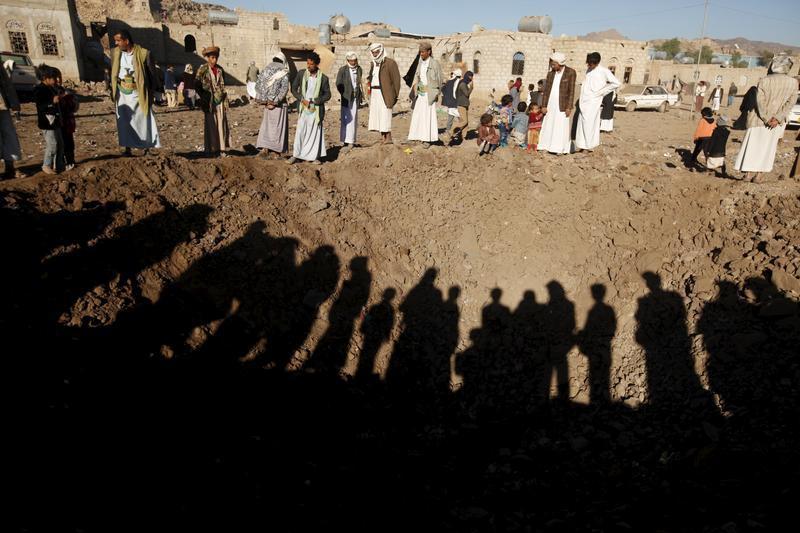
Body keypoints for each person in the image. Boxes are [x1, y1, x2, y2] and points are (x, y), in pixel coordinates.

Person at [734, 55, 797, 181]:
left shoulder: (764, 80)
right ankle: (759, 176)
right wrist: (777, 118)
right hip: (775, 124)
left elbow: (760, 102)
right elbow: (790, 103)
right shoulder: (793, 83)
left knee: (752, 146)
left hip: (758, 120)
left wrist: (767, 118)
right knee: (767, 149)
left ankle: (748, 175)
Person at [110, 29, 161, 155]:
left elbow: (152, 75)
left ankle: (147, 148)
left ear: (126, 41)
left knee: (143, 120)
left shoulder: (144, 54)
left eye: (118, 40)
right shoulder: (115, 53)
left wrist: (152, 93)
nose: (116, 43)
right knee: (124, 122)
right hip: (122, 94)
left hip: (139, 93)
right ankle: (127, 148)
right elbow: (113, 72)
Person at [288, 52, 331, 165]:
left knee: (314, 132)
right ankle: (296, 155)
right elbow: (293, 89)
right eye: (307, 63)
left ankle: (313, 156)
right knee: (301, 131)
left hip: (315, 109)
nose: (308, 66)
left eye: (311, 64)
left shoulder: (323, 78)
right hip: (304, 107)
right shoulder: (301, 74)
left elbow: (328, 95)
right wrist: (302, 99)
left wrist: (316, 101)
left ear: (316, 64)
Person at [574, 52, 620, 152]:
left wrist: (601, 92)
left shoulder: (604, 71)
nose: (589, 65)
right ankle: (582, 145)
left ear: (597, 62)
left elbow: (616, 83)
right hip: (584, 101)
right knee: (582, 123)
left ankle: (589, 146)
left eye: (591, 63)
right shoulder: (589, 70)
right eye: (588, 63)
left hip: (593, 101)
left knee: (590, 123)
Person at [196, 46, 231, 157]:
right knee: (211, 124)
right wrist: (203, 96)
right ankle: (211, 149)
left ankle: (222, 149)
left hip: (220, 101)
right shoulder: (203, 69)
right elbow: (196, 84)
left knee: (221, 123)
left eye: (216, 58)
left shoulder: (220, 69)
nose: (214, 60)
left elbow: (223, 84)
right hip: (209, 101)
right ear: (208, 58)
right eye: (212, 57)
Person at [538, 52, 576, 155]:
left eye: (554, 64)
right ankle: (545, 146)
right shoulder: (550, 74)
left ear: (560, 63)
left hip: (562, 105)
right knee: (548, 125)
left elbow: (571, 91)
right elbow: (546, 91)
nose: (552, 65)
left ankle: (559, 148)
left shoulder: (570, 72)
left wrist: (569, 107)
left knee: (560, 126)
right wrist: (544, 105)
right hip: (550, 104)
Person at [255, 52, 291, 158]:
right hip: (279, 105)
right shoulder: (284, 71)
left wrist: (265, 100)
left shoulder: (266, 69)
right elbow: (284, 89)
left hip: (267, 105)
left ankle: (265, 148)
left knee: (267, 126)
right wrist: (275, 101)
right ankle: (276, 151)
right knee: (278, 127)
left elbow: (258, 86)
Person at [408, 41, 443, 147]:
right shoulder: (420, 63)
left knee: (428, 116)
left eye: (423, 52)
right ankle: (417, 136)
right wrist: (417, 89)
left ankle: (428, 139)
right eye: (420, 52)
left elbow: (439, 79)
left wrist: (437, 93)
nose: (421, 54)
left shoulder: (434, 63)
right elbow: (418, 78)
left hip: (430, 93)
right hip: (421, 92)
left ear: (429, 52)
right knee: (418, 114)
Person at [367, 43, 401, 144]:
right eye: (373, 52)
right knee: (378, 115)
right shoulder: (373, 64)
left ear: (381, 51)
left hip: (386, 93)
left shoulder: (390, 63)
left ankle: (388, 138)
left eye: (377, 52)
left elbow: (396, 81)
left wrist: (394, 96)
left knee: (386, 114)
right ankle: (383, 137)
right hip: (375, 93)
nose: (375, 54)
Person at [34, 64, 64, 175]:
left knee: (60, 144)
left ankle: (58, 165)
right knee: (52, 145)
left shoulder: (52, 88)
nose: (56, 80)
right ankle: (46, 165)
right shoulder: (39, 89)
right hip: (47, 123)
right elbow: (41, 106)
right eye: (53, 78)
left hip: (56, 121)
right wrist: (52, 102)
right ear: (45, 78)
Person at [0, 59, 23, 179]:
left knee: (9, 135)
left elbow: (6, 83)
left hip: (2, 104)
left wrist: (15, 105)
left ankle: (10, 168)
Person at [335, 52, 363, 152]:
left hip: (355, 97)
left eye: (354, 61)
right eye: (351, 61)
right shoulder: (342, 70)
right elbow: (338, 83)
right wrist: (345, 93)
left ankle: (351, 141)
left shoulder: (359, 69)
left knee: (353, 118)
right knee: (345, 119)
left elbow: (358, 82)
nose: (353, 62)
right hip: (346, 98)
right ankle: (345, 140)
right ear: (347, 61)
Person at [56, 70, 78, 171]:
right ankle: (61, 163)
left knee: (69, 143)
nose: (58, 80)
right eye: (55, 78)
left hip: (68, 123)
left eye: (59, 77)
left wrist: (72, 99)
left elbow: (74, 108)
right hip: (58, 123)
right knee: (60, 144)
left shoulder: (66, 92)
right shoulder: (52, 92)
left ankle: (70, 161)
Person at [446, 70, 473, 145]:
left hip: (465, 104)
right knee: (464, 121)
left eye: (472, 76)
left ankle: (464, 138)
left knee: (466, 123)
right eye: (470, 76)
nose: (471, 78)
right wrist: (471, 87)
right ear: (467, 76)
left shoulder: (464, 83)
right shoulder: (463, 84)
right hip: (461, 105)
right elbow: (467, 94)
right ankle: (451, 130)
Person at [441, 70, 461, 134]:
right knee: (461, 118)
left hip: (450, 103)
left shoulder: (449, 82)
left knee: (450, 118)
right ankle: (461, 131)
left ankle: (448, 130)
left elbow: (443, 89)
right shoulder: (458, 82)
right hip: (456, 103)